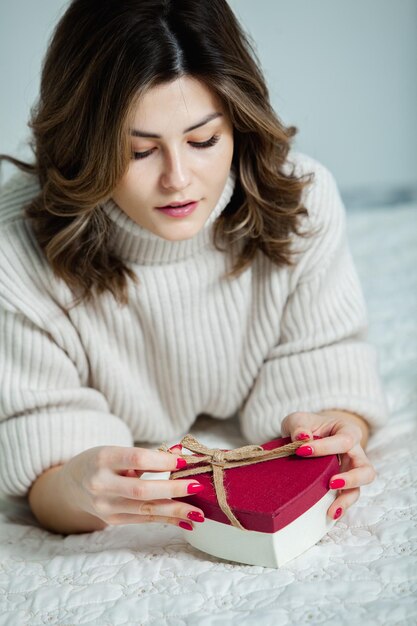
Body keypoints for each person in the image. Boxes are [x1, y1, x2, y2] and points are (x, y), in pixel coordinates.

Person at [0, 0, 387, 536]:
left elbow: (326, 363)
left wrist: (337, 432)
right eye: (139, 152)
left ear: (237, 122)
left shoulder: (304, 201)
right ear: (85, 144)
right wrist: (72, 487)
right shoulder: (14, 247)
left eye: (204, 141)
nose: (178, 179)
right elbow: (41, 447)